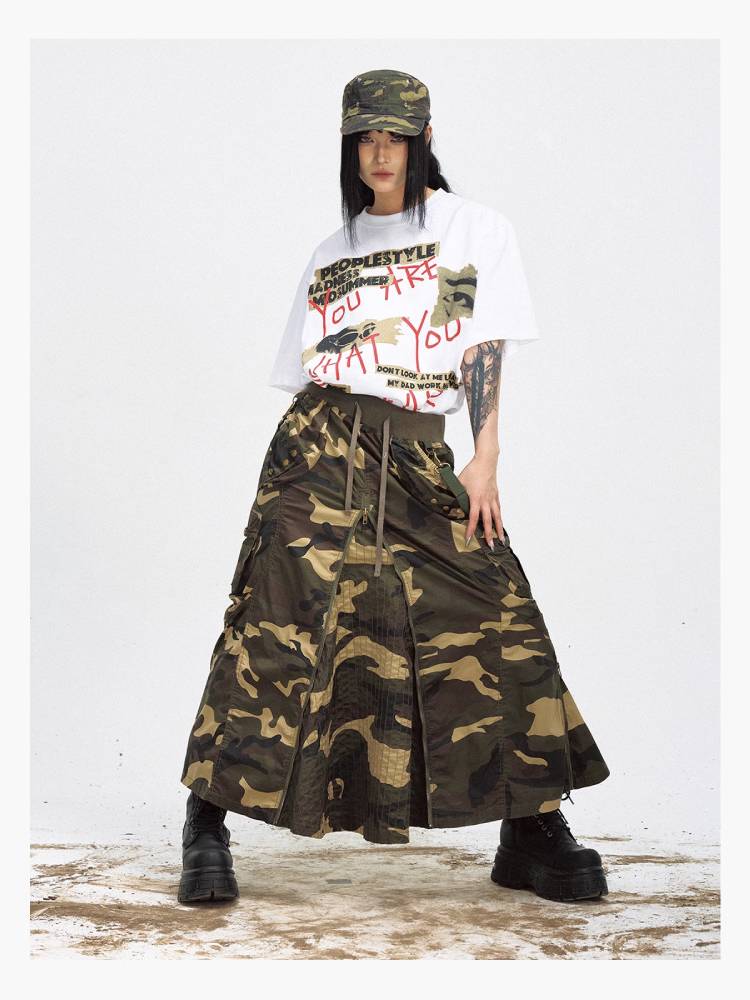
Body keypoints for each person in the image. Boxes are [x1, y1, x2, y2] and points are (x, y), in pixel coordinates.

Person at [177, 68, 610, 906]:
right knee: (276, 628)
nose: (380, 154)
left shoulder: (472, 228)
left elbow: (480, 343)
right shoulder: (332, 251)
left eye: (395, 138)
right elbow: (307, 371)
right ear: (351, 146)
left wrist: (484, 456)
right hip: (317, 448)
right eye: (366, 139)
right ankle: (205, 819)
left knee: (496, 615)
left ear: (424, 139)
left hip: (416, 453)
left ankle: (530, 829)